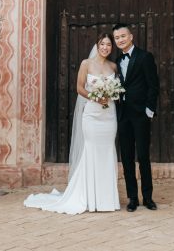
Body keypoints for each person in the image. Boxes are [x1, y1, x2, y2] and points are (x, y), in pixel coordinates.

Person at [24, 33, 120, 214]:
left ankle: (107, 199)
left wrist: (110, 95)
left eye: (108, 44)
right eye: (102, 44)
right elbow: (80, 88)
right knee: (91, 150)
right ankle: (89, 197)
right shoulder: (86, 64)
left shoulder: (113, 66)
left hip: (109, 115)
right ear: (97, 45)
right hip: (92, 114)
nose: (105, 47)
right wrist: (96, 97)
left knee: (107, 150)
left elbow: (118, 90)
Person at [113, 23, 160, 212]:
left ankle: (148, 197)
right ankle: (132, 198)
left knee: (143, 156)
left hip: (140, 115)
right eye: (117, 38)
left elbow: (153, 85)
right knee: (126, 158)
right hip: (123, 116)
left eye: (123, 36)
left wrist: (149, 111)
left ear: (131, 36)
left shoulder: (144, 57)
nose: (120, 40)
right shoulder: (117, 61)